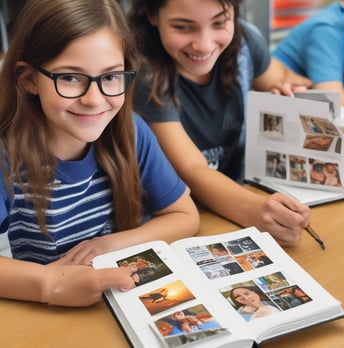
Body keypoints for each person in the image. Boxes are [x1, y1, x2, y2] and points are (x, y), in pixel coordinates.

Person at [0, 0, 200, 307]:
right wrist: (49, 285)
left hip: (118, 302)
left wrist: (110, 245)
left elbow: (184, 216)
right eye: (69, 77)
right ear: (29, 80)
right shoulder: (5, 156)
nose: (94, 100)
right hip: (47, 313)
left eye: (110, 77)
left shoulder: (131, 132)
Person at [128, 0, 311, 247]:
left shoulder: (245, 42)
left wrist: (287, 91)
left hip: (237, 196)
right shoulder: (144, 72)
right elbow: (192, 170)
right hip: (179, 222)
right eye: (183, 27)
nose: (204, 44)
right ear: (152, 13)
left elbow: (284, 79)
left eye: (219, 23)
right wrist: (255, 210)